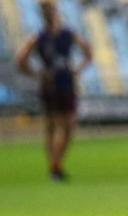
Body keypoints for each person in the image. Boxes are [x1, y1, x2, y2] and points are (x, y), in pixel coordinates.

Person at [16, 0, 92, 181]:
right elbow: (88, 52)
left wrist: (37, 73)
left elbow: (21, 61)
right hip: (59, 83)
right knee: (62, 126)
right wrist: (77, 69)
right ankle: (56, 166)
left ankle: (54, 165)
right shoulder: (55, 36)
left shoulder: (47, 36)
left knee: (56, 126)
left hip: (54, 83)